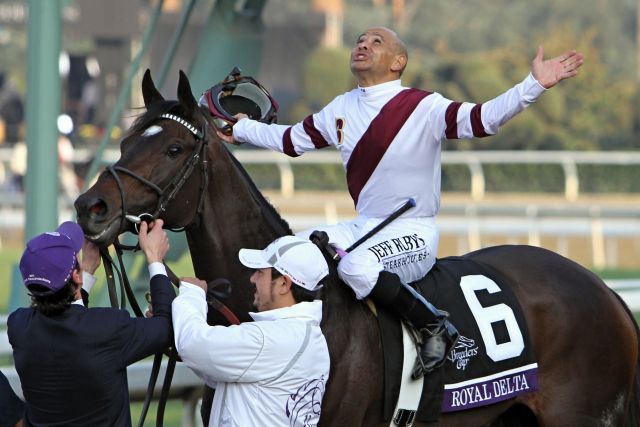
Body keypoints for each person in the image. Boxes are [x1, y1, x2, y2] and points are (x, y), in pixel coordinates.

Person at [214, 26, 584, 377]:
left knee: (355, 268)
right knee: (286, 251)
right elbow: (293, 140)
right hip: (363, 225)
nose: (362, 45)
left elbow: (483, 119)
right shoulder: (341, 107)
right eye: (359, 40)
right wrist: (241, 128)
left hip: (414, 230)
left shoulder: (425, 106)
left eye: (376, 41)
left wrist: (533, 85)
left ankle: (433, 325)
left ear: (398, 62)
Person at [7, 219, 174, 426]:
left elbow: (68, 323)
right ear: (76, 278)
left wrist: (85, 270)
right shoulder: (108, 327)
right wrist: (154, 257)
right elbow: (166, 327)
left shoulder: (19, 326)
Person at [173, 235, 330, 427]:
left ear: (284, 284)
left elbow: (194, 345)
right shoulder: (312, 337)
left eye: (260, 272)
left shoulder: (270, 338)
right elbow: (224, 375)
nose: (252, 278)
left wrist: (191, 293)